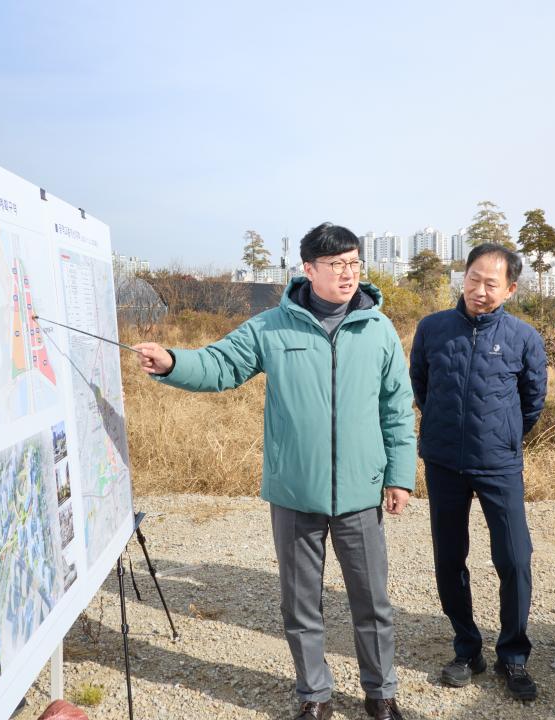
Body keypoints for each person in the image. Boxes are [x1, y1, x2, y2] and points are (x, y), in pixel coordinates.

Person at [134, 223, 416, 720]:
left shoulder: (379, 329)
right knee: (301, 604)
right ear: (308, 270)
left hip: (361, 491)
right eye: (337, 265)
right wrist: (172, 361)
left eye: (354, 263)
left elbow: (397, 407)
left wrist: (398, 475)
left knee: (372, 602)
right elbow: (220, 364)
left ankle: (381, 693)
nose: (348, 274)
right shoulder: (272, 325)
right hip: (294, 490)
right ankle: (314, 696)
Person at [409, 243, 547, 701]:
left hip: (499, 465)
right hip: (445, 462)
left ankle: (514, 654)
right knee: (450, 558)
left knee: (514, 557)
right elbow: (421, 385)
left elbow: (533, 402)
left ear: (509, 289)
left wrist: (501, 436)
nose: (480, 290)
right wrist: (446, 430)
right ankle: (467, 647)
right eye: (473, 279)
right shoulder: (433, 328)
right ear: (462, 278)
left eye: (492, 283)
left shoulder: (523, 337)